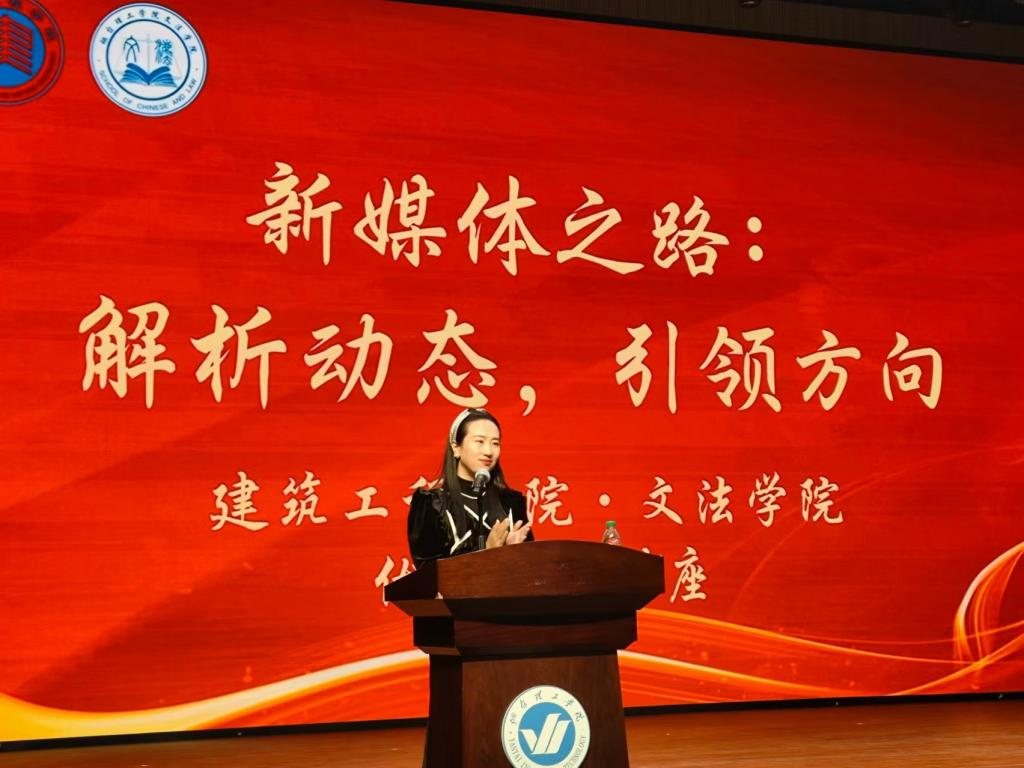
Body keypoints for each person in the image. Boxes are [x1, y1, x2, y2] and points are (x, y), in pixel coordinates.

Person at [407, 408, 532, 568]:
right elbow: (428, 573)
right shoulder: (432, 504)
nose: (488, 451)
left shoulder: (511, 502)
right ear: (456, 447)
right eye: (479, 441)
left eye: (495, 443)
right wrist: (487, 553)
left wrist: (518, 553)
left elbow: (531, 572)